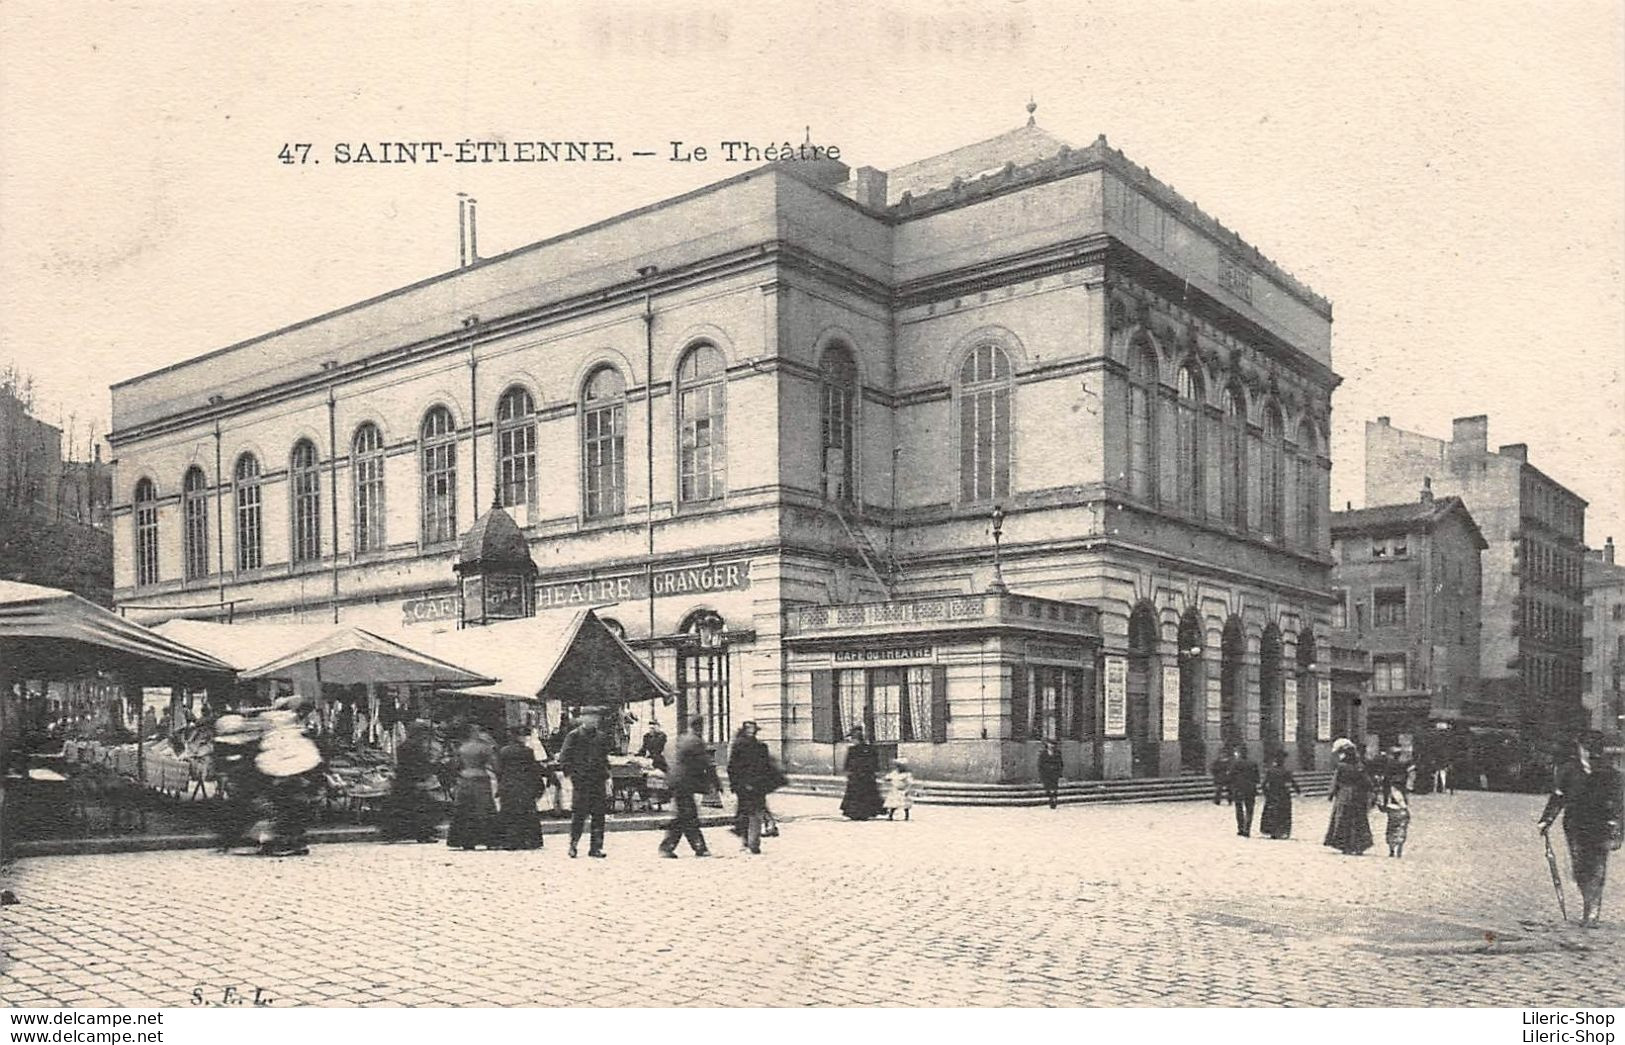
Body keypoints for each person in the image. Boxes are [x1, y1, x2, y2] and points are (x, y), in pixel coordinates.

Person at [1538, 732, 1624, 928]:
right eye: (1587, 748)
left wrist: (1618, 832)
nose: (1589, 753)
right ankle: (1589, 904)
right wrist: (1546, 820)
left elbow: (1620, 806)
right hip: (1575, 827)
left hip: (1601, 827)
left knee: (1597, 869)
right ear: (1581, 749)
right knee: (1580, 869)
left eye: (1594, 749)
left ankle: (1592, 913)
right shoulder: (1570, 771)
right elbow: (1558, 796)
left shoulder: (1611, 774)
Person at [660, 715, 718, 858]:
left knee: (685, 815)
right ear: (699, 726)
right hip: (684, 783)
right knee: (687, 816)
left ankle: (694, 847)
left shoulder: (684, 739)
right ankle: (691, 847)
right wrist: (715, 782)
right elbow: (706, 763)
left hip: (678, 782)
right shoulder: (695, 741)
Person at [558, 711, 611, 858]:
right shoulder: (574, 736)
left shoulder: (601, 737)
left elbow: (604, 759)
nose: (592, 720)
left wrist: (607, 777)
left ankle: (596, 848)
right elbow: (564, 758)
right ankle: (573, 845)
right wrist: (573, 776)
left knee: (599, 816)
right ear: (582, 719)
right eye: (589, 717)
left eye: (595, 718)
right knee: (579, 815)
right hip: (581, 783)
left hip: (598, 781)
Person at [726, 720, 782, 854]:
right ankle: (753, 843)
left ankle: (747, 841)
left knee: (746, 812)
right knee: (754, 813)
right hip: (756, 786)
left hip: (744, 786)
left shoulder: (739, 746)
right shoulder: (761, 747)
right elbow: (766, 768)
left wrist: (734, 784)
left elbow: (731, 768)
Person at [381, 719, 441, 843]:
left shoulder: (405, 746)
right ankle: (422, 834)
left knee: (405, 809)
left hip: (404, 781)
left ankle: (395, 833)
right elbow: (415, 764)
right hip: (411, 780)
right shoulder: (414, 747)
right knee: (420, 808)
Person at [447, 723, 498, 851]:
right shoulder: (484, 747)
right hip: (480, 778)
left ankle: (466, 840)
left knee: (465, 810)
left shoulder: (462, 748)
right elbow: (495, 764)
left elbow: (455, 765)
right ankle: (490, 839)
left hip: (465, 779)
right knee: (484, 809)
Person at [495, 726, 545, 850]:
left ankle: (510, 841)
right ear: (520, 737)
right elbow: (533, 770)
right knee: (526, 812)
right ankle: (529, 840)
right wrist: (538, 786)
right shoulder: (527, 751)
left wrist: (501, 784)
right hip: (524, 784)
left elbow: (499, 769)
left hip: (508, 784)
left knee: (509, 812)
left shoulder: (503, 751)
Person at [1323, 739, 1375, 856]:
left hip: (1344, 795)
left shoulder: (1341, 766)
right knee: (1359, 820)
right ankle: (1358, 845)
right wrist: (1371, 793)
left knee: (1343, 819)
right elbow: (1367, 782)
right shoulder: (1360, 766)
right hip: (1358, 795)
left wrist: (1331, 794)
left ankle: (1344, 845)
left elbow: (1336, 781)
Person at [839, 726, 886, 821]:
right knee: (866, 793)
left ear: (857, 739)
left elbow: (849, 762)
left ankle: (857, 812)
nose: (852, 741)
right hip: (865, 775)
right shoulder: (869, 749)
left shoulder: (855, 750)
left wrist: (848, 770)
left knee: (859, 794)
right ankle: (865, 812)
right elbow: (875, 762)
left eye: (853, 739)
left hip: (858, 775)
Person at [1259, 750, 1301, 840]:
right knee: (1283, 813)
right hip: (1283, 794)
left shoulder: (1270, 771)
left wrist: (1266, 793)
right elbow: (1293, 782)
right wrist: (1298, 791)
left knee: (1272, 813)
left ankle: (1271, 830)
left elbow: (1264, 784)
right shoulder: (1285, 771)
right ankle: (1282, 831)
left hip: (1272, 794)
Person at [1230, 745, 1260, 837]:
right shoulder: (1253, 763)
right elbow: (1257, 778)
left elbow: (1231, 776)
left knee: (1239, 809)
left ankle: (1240, 828)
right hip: (1250, 789)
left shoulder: (1235, 763)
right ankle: (1247, 829)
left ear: (1239, 753)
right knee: (1249, 810)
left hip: (1238, 789)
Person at [1383, 787, 1411, 858]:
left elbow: (1384, 808)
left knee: (1391, 831)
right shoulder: (1403, 794)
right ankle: (1399, 847)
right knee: (1401, 831)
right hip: (1401, 812)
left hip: (1392, 811)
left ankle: (1391, 850)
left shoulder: (1390, 792)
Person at [1038, 740, 1063, 810]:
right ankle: (1051, 798)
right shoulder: (1043, 753)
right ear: (1047, 745)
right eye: (1050, 744)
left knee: (1054, 787)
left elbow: (1060, 763)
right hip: (1046, 773)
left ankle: (1054, 800)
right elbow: (1040, 764)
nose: (1051, 746)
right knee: (1048, 787)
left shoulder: (1057, 753)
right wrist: (1042, 773)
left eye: (1053, 744)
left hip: (1054, 773)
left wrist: (1060, 772)